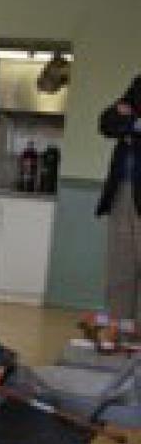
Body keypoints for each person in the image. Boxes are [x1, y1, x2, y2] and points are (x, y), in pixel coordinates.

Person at [97, 75, 141, 326]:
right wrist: (133, 124)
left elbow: (122, 121)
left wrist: (130, 123)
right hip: (122, 192)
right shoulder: (139, 83)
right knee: (119, 272)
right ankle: (118, 335)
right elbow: (107, 122)